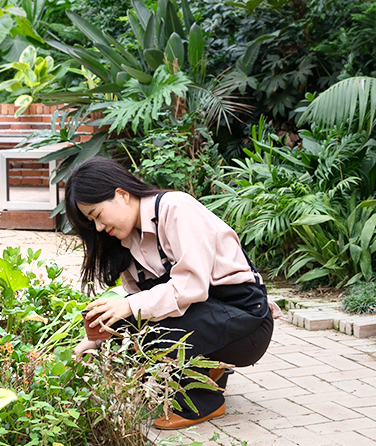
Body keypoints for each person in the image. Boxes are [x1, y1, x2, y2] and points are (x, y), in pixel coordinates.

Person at [64, 156, 275, 430]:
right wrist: (94, 339)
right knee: (129, 327)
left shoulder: (175, 208)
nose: (99, 228)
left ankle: (203, 402)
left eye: (97, 215)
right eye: (92, 222)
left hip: (247, 323)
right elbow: (141, 304)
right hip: (209, 317)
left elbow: (192, 286)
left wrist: (129, 307)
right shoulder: (126, 241)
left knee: (149, 329)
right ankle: (208, 372)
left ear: (122, 194)